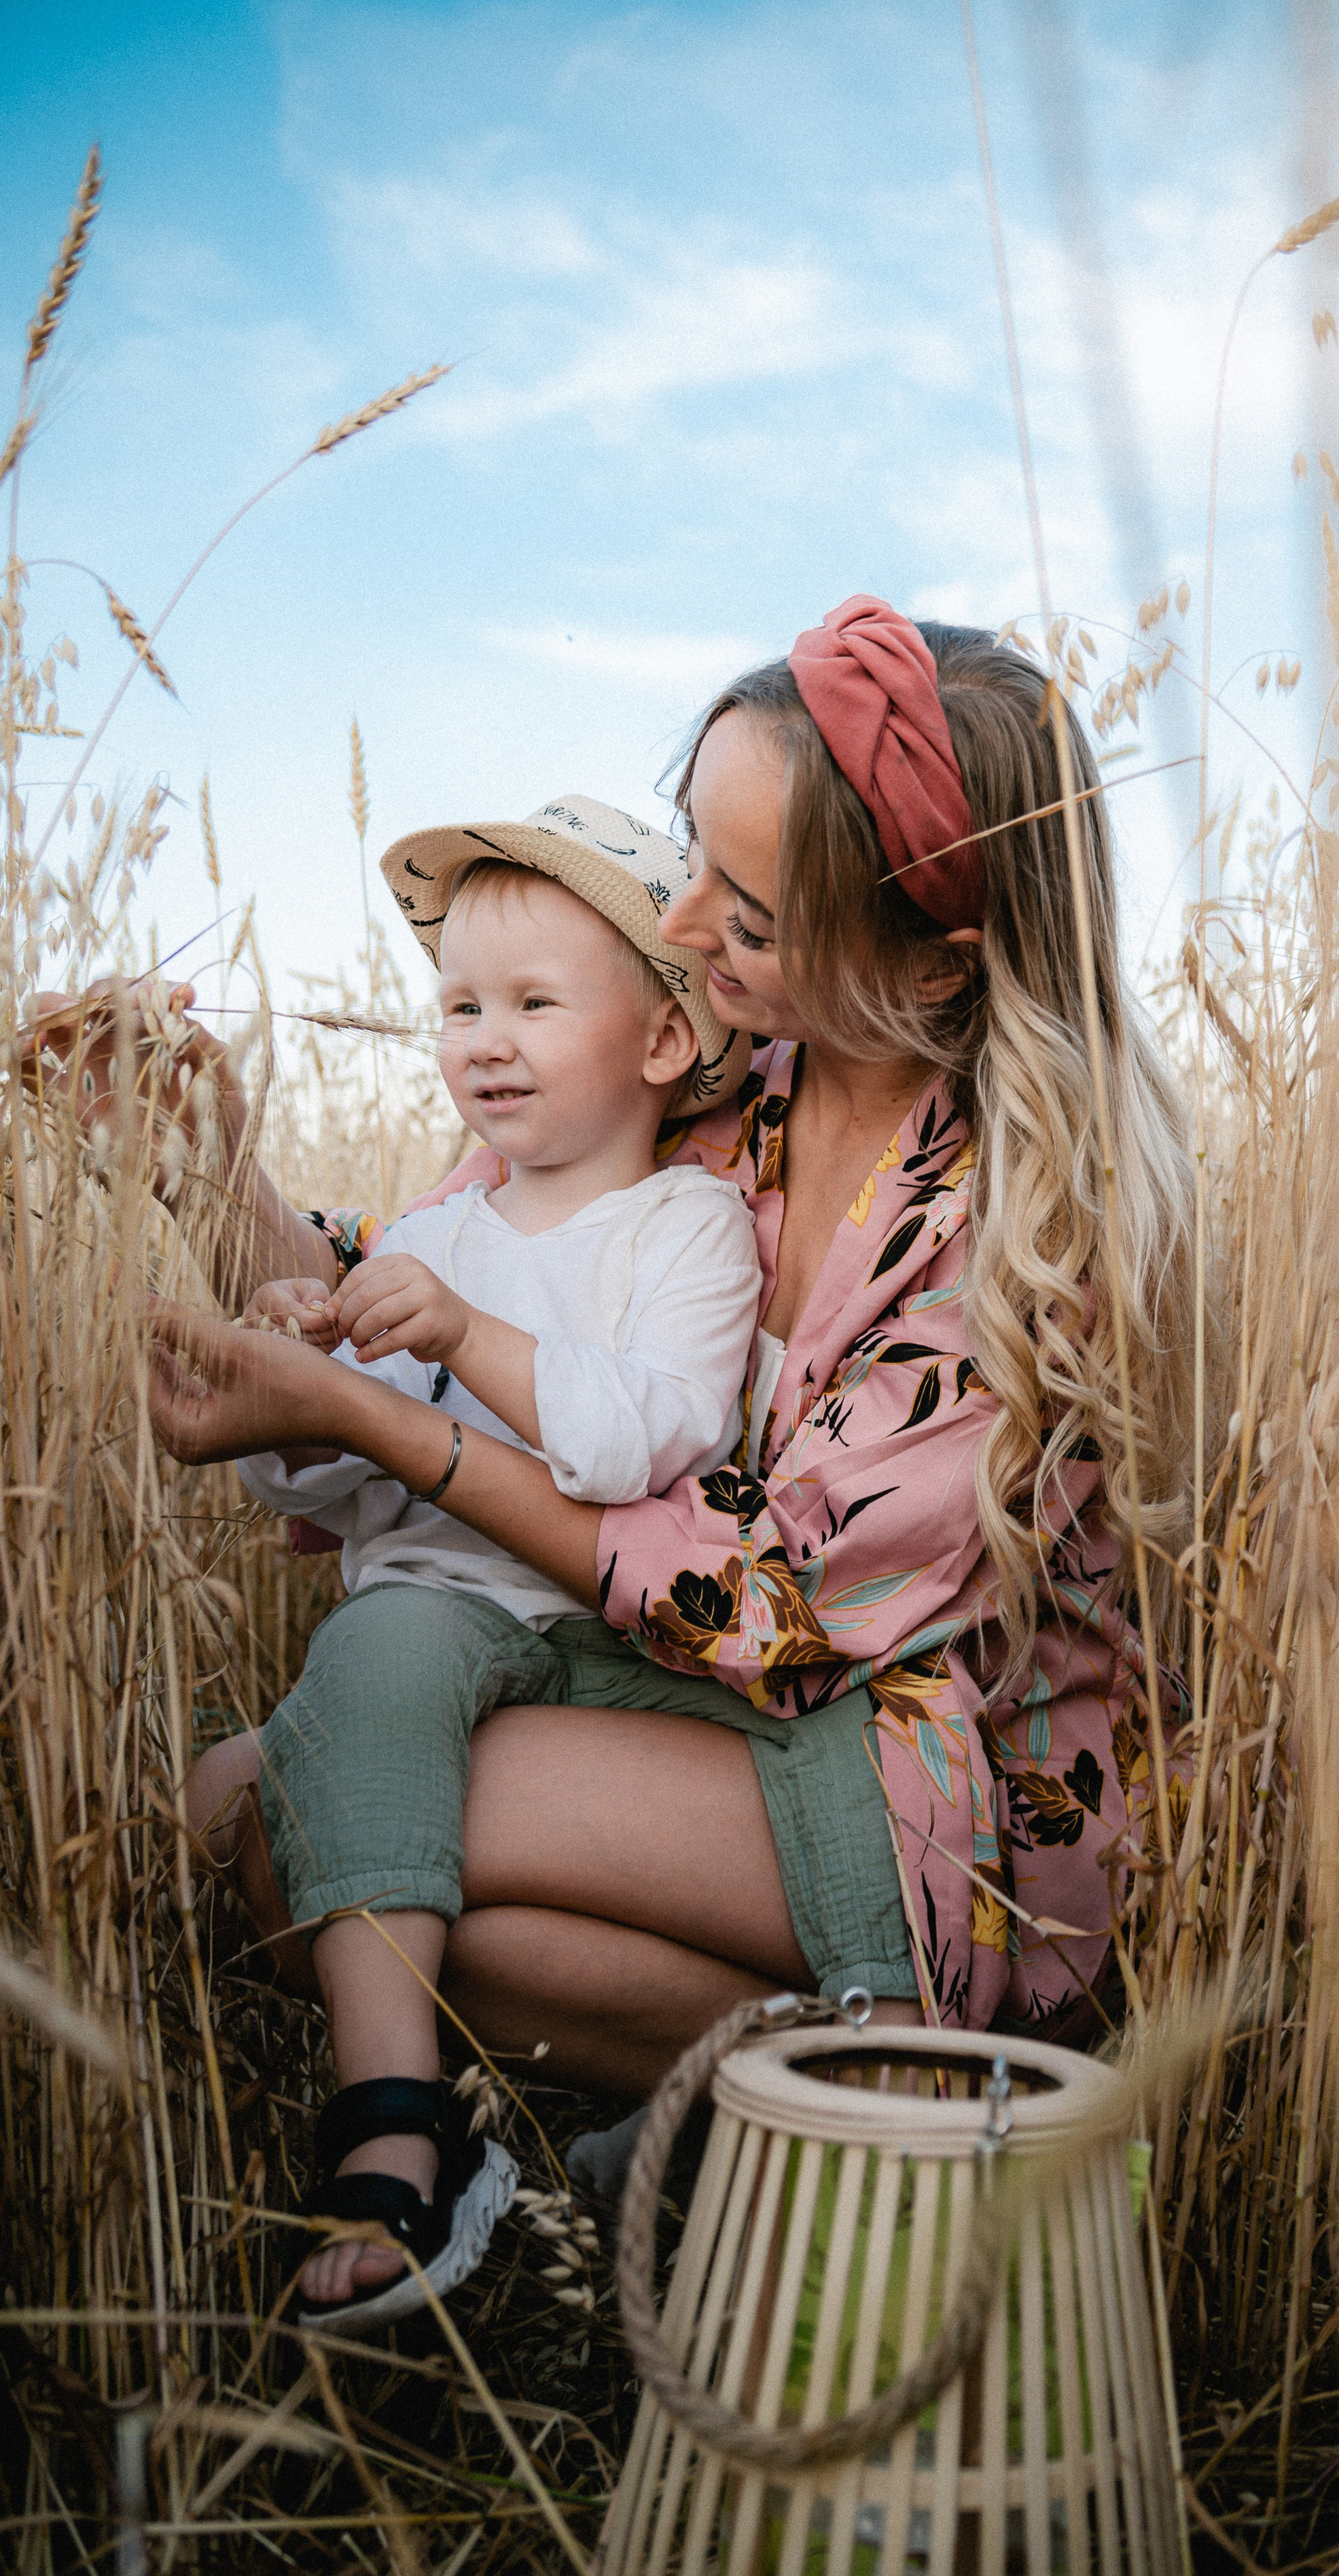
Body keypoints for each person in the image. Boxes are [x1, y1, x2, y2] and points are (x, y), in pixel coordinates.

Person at [147, 597, 1198, 2325]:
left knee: (314, 1802)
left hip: (919, 1783)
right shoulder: (719, 1083)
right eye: (691, 852)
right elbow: (440, 1283)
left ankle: (918, 2079)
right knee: (260, 1832)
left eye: (748, 912)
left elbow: (771, 1600)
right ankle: (812, 2099)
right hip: (684, 1701)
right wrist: (213, 1172)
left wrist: (387, 1429)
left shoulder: (1025, 1228)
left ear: (933, 964)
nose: (681, 920)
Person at [223, 796, 760, 2329]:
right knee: (366, 1656)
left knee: (319, 1743)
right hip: (446, 1622)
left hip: (615, 1643)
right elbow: (329, 1479)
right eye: (461, 1006)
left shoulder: (686, 1228)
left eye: (533, 1003)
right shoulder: (437, 1234)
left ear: (664, 1040)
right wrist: (292, 1382)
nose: (486, 1040)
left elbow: (645, 1438)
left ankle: (456, 2121)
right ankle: (415, 2119)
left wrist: (462, 1337)